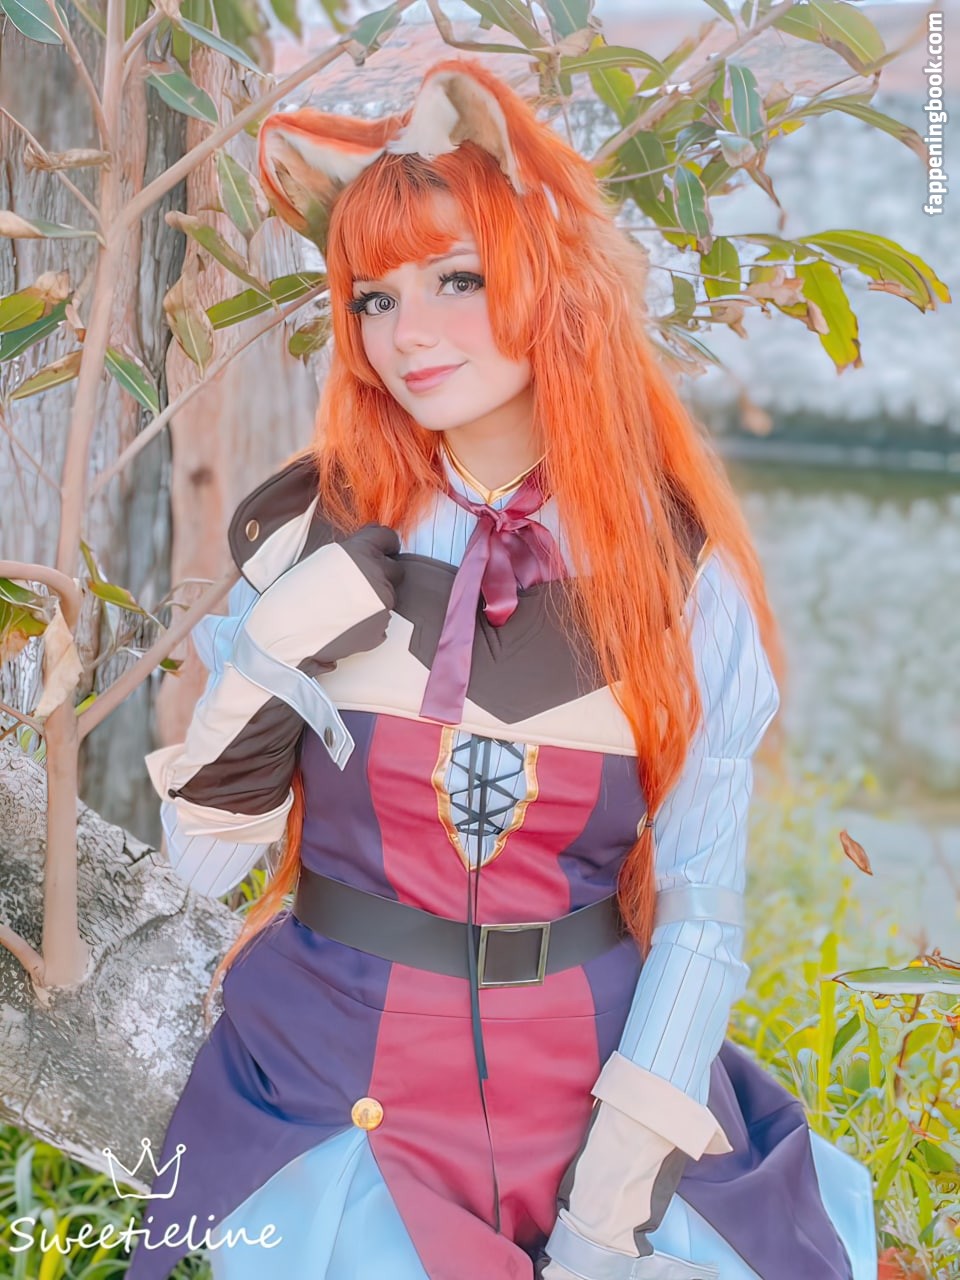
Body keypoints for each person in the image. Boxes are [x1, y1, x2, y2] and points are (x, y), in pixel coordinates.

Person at [128, 57, 877, 1280]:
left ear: (550, 279)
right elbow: (198, 864)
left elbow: (701, 912)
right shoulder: (313, 531)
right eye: (374, 297)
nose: (408, 333)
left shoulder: (679, 574)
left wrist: (607, 1212)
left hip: (594, 1087)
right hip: (334, 1084)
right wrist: (270, 653)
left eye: (458, 279)